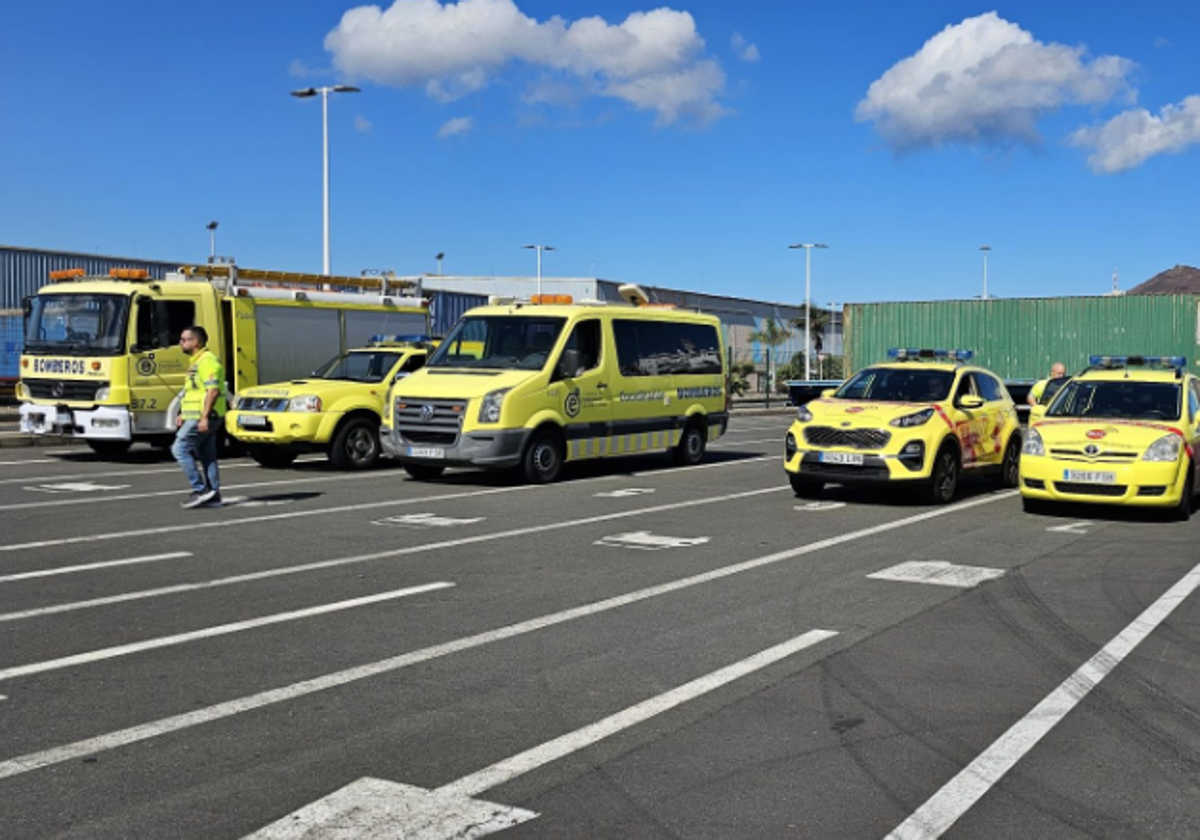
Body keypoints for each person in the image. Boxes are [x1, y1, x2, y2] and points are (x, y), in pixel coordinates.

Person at [173, 326, 227, 508]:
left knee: (179, 448)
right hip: (196, 415)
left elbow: (213, 391)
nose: (181, 343)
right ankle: (214, 494)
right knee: (207, 455)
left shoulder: (208, 362)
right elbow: (194, 392)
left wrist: (204, 418)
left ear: (195, 342)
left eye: (184, 339)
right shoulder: (196, 362)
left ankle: (200, 490)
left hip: (205, 416)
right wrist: (183, 414)